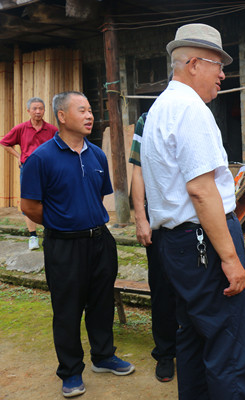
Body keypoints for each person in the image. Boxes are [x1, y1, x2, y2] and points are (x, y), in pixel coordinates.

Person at [141, 23, 245, 399]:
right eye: (217, 65)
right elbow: (202, 191)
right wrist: (229, 257)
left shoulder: (160, 108)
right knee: (229, 346)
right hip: (203, 241)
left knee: (191, 337)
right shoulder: (190, 110)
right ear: (193, 64)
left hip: (176, 243)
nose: (223, 74)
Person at [20, 91, 135, 398]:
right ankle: (70, 372)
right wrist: (62, 223)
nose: (89, 116)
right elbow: (29, 206)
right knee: (67, 309)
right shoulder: (41, 158)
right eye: (81, 110)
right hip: (64, 246)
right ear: (61, 116)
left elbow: (98, 196)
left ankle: (103, 356)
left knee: (101, 303)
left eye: (90, 110)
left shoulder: (97, 155)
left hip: (100, 241)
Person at [129, 112, 178, 382]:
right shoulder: (147, 120)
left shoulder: (198, 111)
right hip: (158, 220)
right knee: (161, 288)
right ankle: (165, 353)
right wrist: (140, 218)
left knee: (194, 290)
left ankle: (190, 349)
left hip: (192, 221)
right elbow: (138, 169)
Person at [1, 97, 57, 250]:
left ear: (44, 110)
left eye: (41, 108)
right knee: (29, 203)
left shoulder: (52, 130)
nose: (38, 111)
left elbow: (60, 147)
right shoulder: (21, 128)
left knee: (49, 201)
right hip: (28, 170)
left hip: (48, 170)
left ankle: (49, 233)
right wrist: (19, 156)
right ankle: (33, 236)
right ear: (28, 111)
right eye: (34, 109)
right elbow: (5, 142)